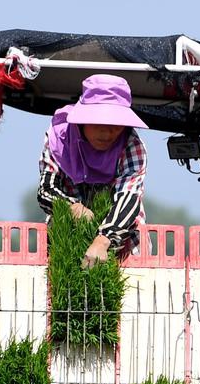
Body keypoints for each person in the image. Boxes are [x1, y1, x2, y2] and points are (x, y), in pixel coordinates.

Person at [36, 74, 148, 264]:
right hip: (66, 231)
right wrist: (73, 208)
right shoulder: (59, 138)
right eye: (99, 123)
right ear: (82, 120)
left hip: (121, 235)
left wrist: (102, 241)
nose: (107, 132)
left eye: (115, 125)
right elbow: (45, 191)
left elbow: (129, 198)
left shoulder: (131, 145)